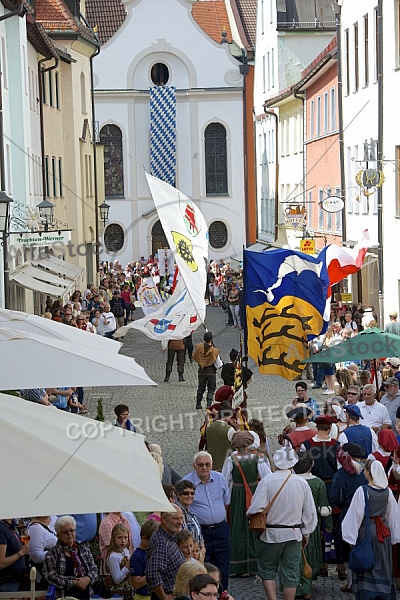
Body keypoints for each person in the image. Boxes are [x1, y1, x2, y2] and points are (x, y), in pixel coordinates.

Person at [246, 448, 317, 600]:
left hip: (270, 534)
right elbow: (310, 512)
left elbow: (257, 507)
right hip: (293, 534)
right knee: (291, 571)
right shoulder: (302, 483)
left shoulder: (267, 481)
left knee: (267, 569)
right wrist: (306, 533)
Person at [342, 460, 400, 600]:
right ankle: (383, 593)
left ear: (369, 473)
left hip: (366, 533)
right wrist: (394, 538)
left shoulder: (362, 491)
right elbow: (393, 516)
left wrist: (351, 538)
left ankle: (368, 594)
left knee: (367, 563)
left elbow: (355, 515)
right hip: (383, 534)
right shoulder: (387, 492)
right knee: (382, 564)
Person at [222, 430, 271, 576]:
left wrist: (227, 500)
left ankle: (240, 566)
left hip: (238, 495)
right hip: (255, 493)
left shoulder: (231, 459)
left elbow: (225, 481)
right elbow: (268, 478)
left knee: (238, 528)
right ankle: (255, 563)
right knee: (255, 526)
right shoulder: (259, 458)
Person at [183, 452, 230, 591]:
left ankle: (222, 595)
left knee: (223, 569)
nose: (204, 467)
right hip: (201, 532)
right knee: (201, 568)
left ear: (212, 465)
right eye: (200, 465)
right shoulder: (187, 482)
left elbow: (226, 502)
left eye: (207, 464)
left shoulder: (220, 478)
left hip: (221, 529)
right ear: (194, 466)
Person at [292, 453, 333, 599]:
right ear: (311, 466)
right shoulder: (318, 483)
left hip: (293, 521)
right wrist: (329, 524)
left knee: (294, 553)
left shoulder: (291, 481)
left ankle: (295, 584)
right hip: (312, 522)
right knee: (310, 552)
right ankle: (306, 587)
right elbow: (324, 506)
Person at [329, 443, 368, 591]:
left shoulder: (340, 475)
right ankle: (362, 582)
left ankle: (352, 583)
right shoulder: (366, 471)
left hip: (347, 513)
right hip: (365, 513)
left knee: (347, 548)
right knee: (362, 544)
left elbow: (335, 497)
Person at [42, 515, 98, 599]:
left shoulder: (84, 549)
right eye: (65, 532)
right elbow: (50, 576)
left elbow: (94, 569)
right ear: (58, 535)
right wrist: (74, 582)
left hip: (86, 595)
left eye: (72, 530)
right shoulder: (52, 554)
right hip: (64, 596)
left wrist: (88, 579)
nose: (69, 534)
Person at [145, 504, 185, 600]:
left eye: (181, 518)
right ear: (163, 519)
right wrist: (163, 597)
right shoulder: (161, 542)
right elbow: (153, 572)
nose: (180, 522)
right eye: (176, 519)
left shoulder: (170, 536)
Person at [174, 480, 205, 560]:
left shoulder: (190, 512)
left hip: (196, 555)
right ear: (178, 495)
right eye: (186, 493)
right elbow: (181, 538)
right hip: (186, 557)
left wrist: (202, 548)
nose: (189, 496)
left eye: (192, 493)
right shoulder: (177, 513)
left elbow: (198, 534)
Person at [130, 519, 159, 600]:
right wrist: (154, 574)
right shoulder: (137, 556)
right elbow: (136, 583)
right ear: (144, 538)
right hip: (143, 597)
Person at [0, 519, 30, 592]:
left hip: (19, 578)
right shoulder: (1, 529)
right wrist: (21, 553)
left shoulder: (10, 526)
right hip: (8, 581)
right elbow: (1, 563)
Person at [28, 516, 58, 588]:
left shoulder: (54, 517)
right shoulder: (35, 527)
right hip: (46, 574)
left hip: (59, 570)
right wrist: (57, 553)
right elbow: (36, 556)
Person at [193, 332, 220, 409]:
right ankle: (208, 405)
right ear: (211, 339)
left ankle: (198, 404)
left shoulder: (199, 347)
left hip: (202, 371)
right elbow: (219, 364)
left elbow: (194, 356)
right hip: (211, 372)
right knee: (211, 389)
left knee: (201, 387)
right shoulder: (214, 351)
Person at [106, 524, 133, 591]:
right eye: (119, 537)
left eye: (125, 537)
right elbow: (117, 580)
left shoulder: (125, 550)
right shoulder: (113, 557)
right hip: (120, 591)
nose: (123, 541)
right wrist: (126, 567)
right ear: (113, 538)